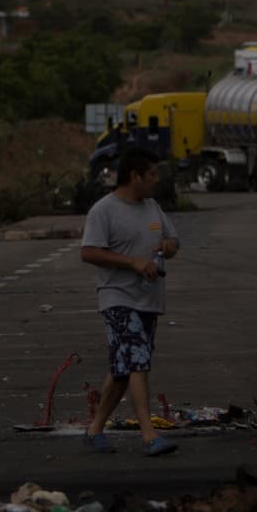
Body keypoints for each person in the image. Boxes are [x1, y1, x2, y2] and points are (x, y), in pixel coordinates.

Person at [80, 148, 180, 457]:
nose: (155, 180)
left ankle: (95, 430)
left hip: (149, 300)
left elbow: (173, 242)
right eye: (151, 174)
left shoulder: (152, 207)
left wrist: (168, 245)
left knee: (123, 370)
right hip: (117, 298)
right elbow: (89, 252)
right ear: (135, 176)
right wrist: (132, 263)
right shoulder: (104, 210)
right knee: (138, 361)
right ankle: (149, 436)